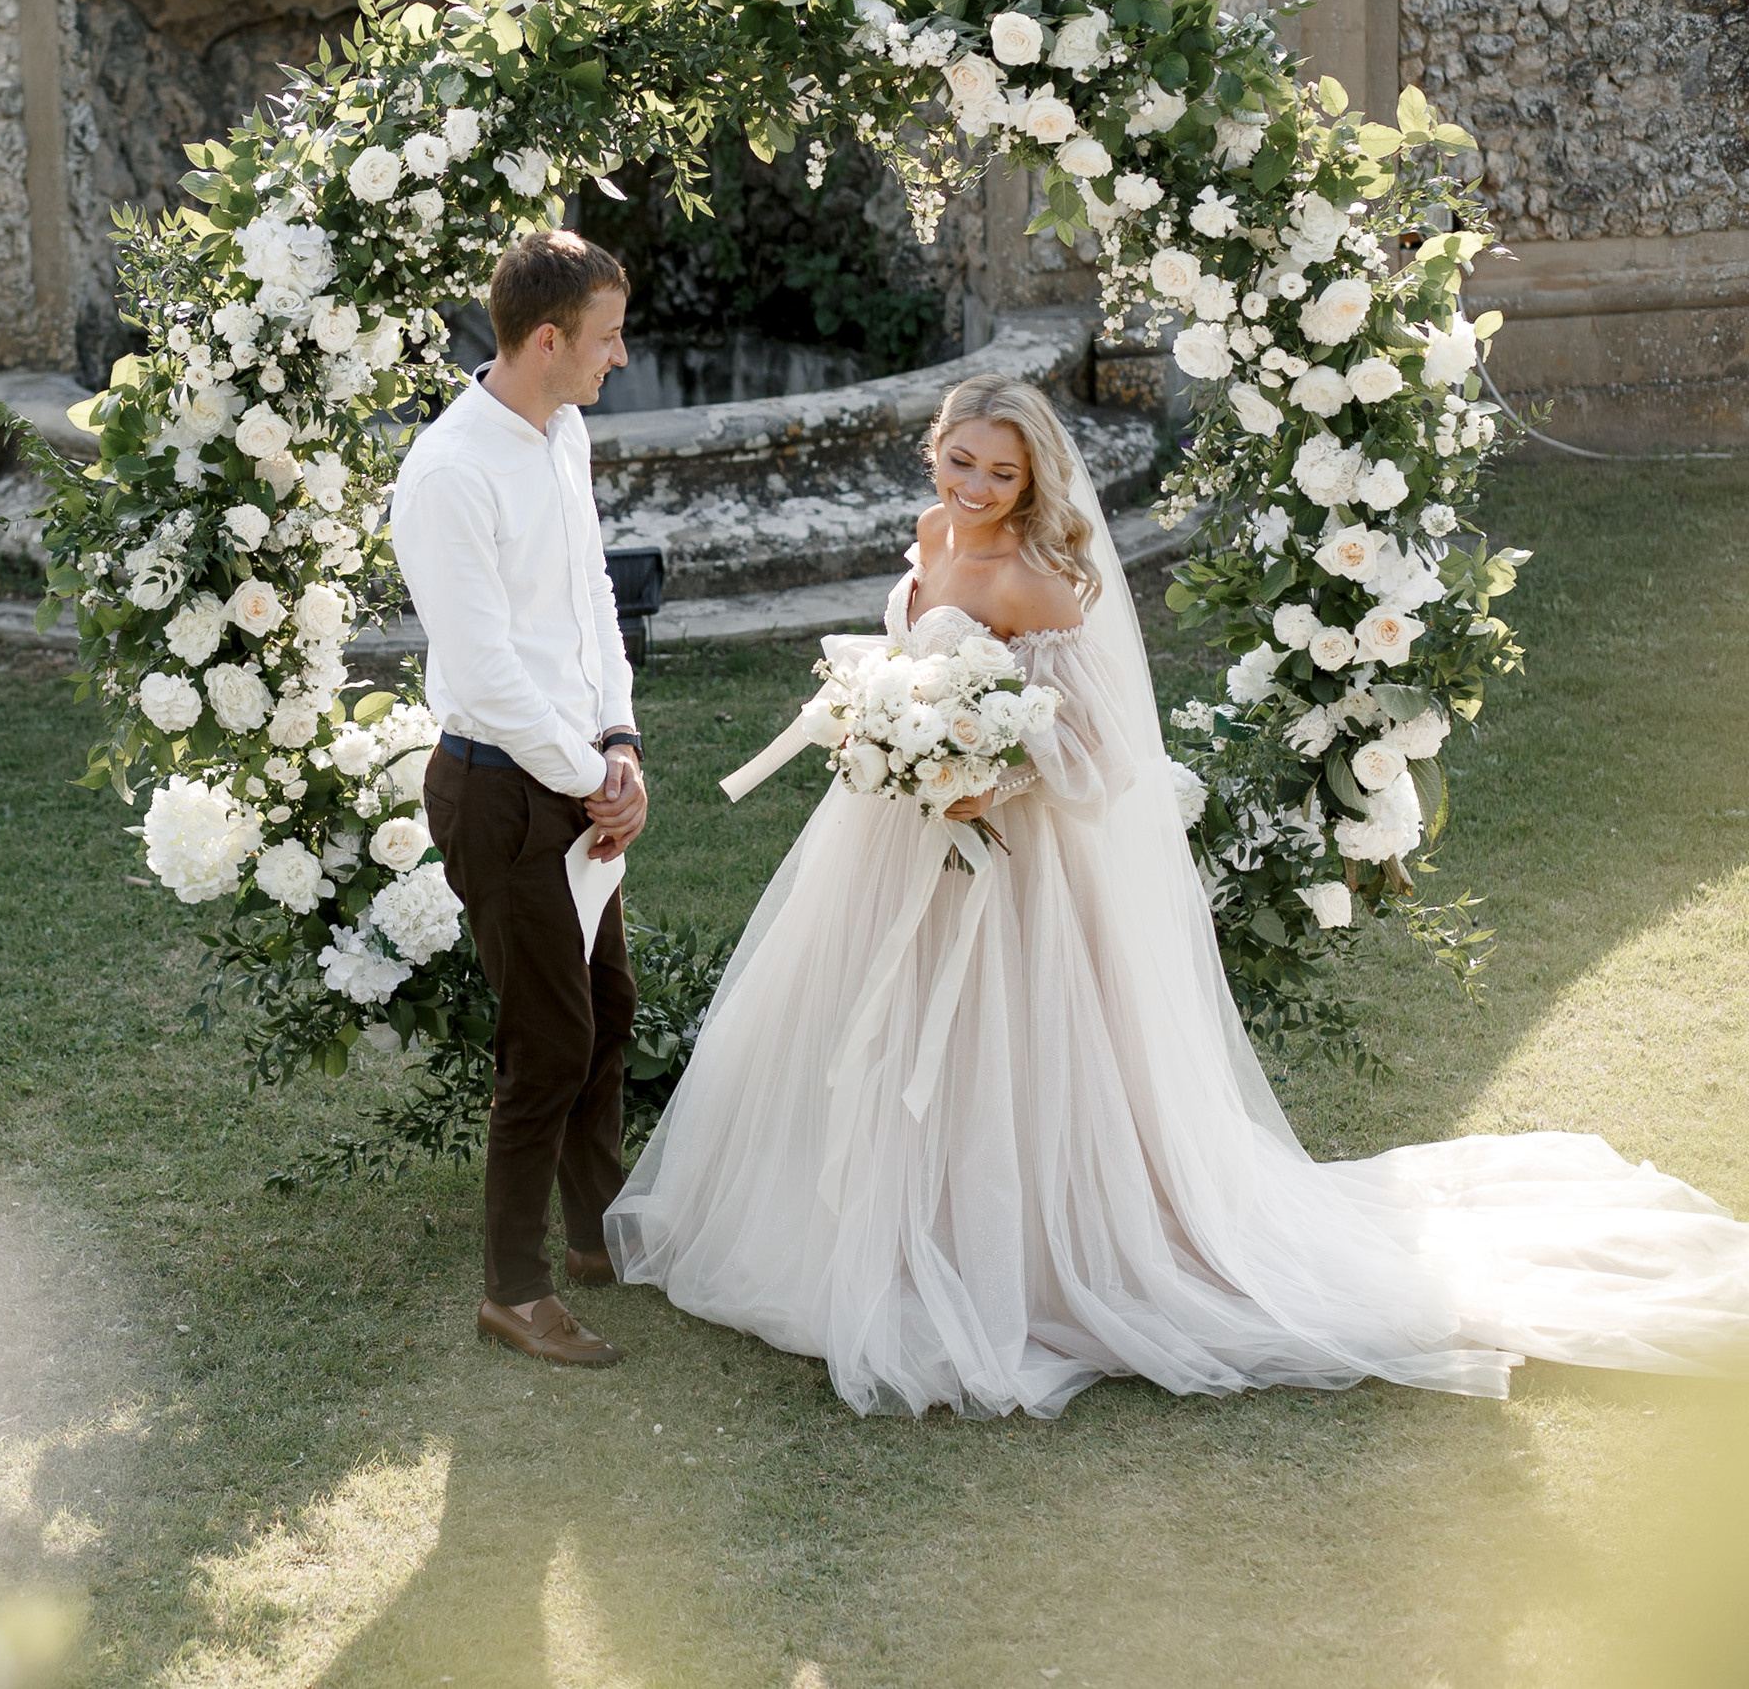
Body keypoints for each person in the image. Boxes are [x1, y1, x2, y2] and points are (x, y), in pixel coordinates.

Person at [606, 373, 1749, 1418]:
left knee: (1007, 1050)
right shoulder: (928, 535)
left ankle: (1035, 1255)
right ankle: (885, 1235)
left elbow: (1098, 752)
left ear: (1034, 478)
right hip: (890, 841)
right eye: (961, 462)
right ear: (934, 453)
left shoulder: (1043, 583)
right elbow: (910, 658)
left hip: (1013, 866)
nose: (976, 487)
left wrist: (981, 775)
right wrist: (888, 731)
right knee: (876, 1031)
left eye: (1001, 473)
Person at [394, 230, 649, 1368]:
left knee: (607, 1014)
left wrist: (618, 740)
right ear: (546, 339)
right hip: (500, 791)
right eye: (605, 338)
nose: (621, 357)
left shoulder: (564, 430)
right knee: (545, 1043)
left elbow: (590, 595)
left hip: (577, 768)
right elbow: (485, 668)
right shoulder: (450, 472)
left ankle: (601, 1234)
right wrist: (586, 776)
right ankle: (513, 1287)